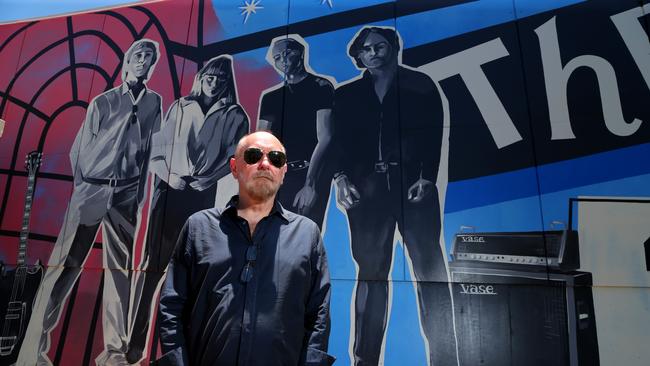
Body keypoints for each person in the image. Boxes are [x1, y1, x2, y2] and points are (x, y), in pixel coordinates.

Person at [17, 39, 162, 365]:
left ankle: (114, 353)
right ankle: (32, 351)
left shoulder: (154, 103)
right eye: (138, 55)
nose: (142, 60)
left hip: (125, 195)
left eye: (148, 57)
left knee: (119, 272)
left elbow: (151, 151)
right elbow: (77, 151)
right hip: (92, 190)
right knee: (64, 266)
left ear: (152, 66)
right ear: (128, 62)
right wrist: (86, 187)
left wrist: (137, 195)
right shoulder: (104, 101)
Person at [326, 27, 456, 365]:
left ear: (393, 47)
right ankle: (364, 359)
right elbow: (337, 143)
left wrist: (427, 177)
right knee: (370, 273)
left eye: (379, 46)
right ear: (359, 56)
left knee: (430, 270)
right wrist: (341, 179)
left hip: (413, 187)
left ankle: (446, 357)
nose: (373, 53)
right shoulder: (347, 95)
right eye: (366, 49)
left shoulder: (421, 84)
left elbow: (433, 134)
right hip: (366, 193)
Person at [157, 131, 335, 366]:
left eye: (276, 159)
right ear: (234, 167)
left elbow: (318, 315)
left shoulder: (307, 234)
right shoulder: (199, 227)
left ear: (283, 172)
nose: (265, 164)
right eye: (253, 156)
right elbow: (172, 305)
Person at [127, 55, 249, 363]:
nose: (215, 81)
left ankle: (175, 349)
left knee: (191, 275)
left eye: (222, 77)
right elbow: (157, 151)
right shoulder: (179, 107)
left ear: (227, 82)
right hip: (169, 193)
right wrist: (170, 176)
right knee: (154, 268)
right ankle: (136, 342)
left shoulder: (235, 114)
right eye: (210, 74)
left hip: (202, 196)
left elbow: (236, 157)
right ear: (201, 76)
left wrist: (208, 178)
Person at [257, 35, 335, 229]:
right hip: (278, 175)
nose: (282, 60)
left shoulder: (321, 87)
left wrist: (310, 184)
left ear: (300, 54)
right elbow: (262, 140)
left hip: (308, 174)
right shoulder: (271, 97)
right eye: (277, 57)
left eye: (286, 53)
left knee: (303, 237)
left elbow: (325, 137)